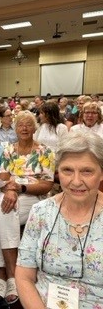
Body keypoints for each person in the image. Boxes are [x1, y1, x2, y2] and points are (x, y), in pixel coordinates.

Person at [15, 130, 103, 309]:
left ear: (101, 173)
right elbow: (24, 276)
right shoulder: (41, 212)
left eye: (87, 171)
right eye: (67, 170)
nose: (76, 181)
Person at [0, 110, 55, 305]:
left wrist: (21, 187)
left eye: (28, 124)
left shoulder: (45, 151)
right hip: (7, 191)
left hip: (33, 194)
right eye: (20, 125)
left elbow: (47, 184)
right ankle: (14, 274)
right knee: (4, 209)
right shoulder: (8, 149)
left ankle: (4, 274)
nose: (24, 128)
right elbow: (3, 177)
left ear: (35, 128)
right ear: (15, 128)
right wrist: (11, 190)